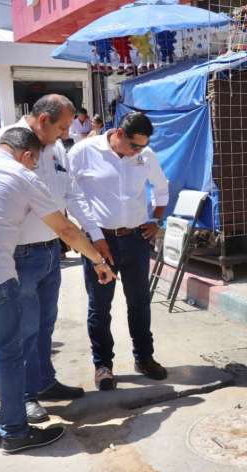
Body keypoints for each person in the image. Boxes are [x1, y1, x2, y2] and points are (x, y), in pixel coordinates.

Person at [0, 127, 115, 454]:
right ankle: (14, 432)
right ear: (27, 155)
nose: (34, 167)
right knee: (8, 354)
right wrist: (98, 260)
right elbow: (65, 228)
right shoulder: (22, 176)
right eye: (34, 162)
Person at [68, 111, 170, 391]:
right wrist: (93, 235)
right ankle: (103, 365)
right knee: (100, 306)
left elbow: (161, 187)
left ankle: (144, 358)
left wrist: (156, 220)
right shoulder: (84, 152)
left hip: (136, 239)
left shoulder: (145, 155)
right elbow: (71, 195)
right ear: (119, 134)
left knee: (139, 302)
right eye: (134, 145)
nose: (138, 152)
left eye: (143, 147)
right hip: (99, 242)